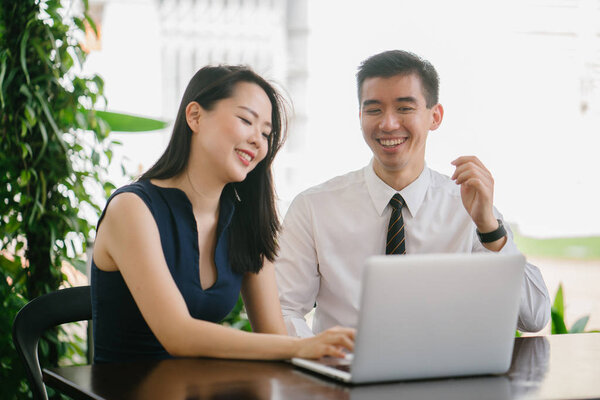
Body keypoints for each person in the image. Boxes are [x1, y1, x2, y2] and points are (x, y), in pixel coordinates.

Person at [275, 50, 551, 338]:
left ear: (435, 116)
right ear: (360, 117)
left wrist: (489, 228)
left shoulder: (467, 206)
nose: (388, 124)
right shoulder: (314, 207)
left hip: (446, 374)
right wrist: (319, 355)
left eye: (404, 108)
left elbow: (534, 318)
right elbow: (284, 308)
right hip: (343, 373)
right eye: (374, 110)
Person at [90, 65, 354, 363]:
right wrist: (302, 345)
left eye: (266, 133)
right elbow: (179, 335)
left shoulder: (246, 219)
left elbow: (273, 337)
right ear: (195, 116)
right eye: (246, 120)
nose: (258, 140)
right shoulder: (132, 209)